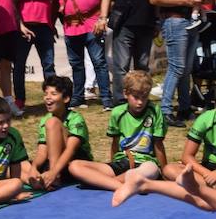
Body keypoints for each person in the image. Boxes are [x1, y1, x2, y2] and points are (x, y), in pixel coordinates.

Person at [69, 70, 168, 204]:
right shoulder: (117, 113)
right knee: (75, 166)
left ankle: (105, 183)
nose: (140, 102)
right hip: (123, 161)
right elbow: (114, 143)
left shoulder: (155, 111)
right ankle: (122, 185)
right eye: (136, 97)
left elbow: (158, 145)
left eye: (144, 97)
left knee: (150, 169)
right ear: (126, 93)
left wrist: (164, 171)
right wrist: (113, 164)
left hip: (146, 162)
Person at [149, 0, 207, 126]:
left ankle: (184, 108)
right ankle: (165, 111)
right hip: (174, 21)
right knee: (177, 66)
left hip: (190, 21)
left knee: (187, 68)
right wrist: (181, 0)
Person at [55, 0, 112, 110]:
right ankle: (78, 98)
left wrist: (103, 18)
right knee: (76, 64)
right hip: (70, 27)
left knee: (99, 62)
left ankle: (106, 99)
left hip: (92, 24)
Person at [32, 74, 92, 190]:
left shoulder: (76, 118)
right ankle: (48, 178)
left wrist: (53, 172)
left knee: (53, 122)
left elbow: (71, 150)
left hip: (75, 162)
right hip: (55, 164)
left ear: (66, 99)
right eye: (46, 94)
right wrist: (33, 168)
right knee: (23, 167)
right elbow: (42, 152)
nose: (48, 97)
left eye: (53, 94)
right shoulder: (45, 119)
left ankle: (54, 177)